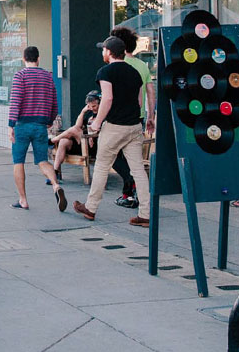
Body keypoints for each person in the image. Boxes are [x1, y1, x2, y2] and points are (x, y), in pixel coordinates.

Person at [73, 36, 151, 227]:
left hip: (115, 126)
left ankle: (90, 208)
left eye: (103, 50)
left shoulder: (105, 72)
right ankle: (146, 214)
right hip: (134, 126)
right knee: (138, 170)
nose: (102, 52)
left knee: (101, 165)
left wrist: (97, 122)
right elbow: (140, 102)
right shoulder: (134, 72)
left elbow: (107, 99)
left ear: (108, 52)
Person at [8, 46, 65, 212]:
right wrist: (50, 120)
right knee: (42, 161)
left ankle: (23, 200)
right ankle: (55, 185)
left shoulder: (20, 75)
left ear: (24, 59)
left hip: (22, 126)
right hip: (40, 125)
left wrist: (11, 124)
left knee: (18, 162)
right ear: (38, 58)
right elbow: (55, 102)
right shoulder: (48, 77)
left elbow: (16, 101)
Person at [109, 25, 157, 209]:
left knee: (111, 154)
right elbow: (150, 93)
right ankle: (129, 193)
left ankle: (130, 185)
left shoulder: (117, 65)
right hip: (138, 118)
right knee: (133, 157)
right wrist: (150, 116)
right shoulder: (142, 65)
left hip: (119, 118)